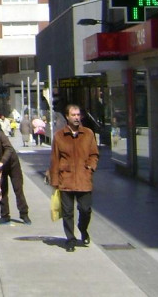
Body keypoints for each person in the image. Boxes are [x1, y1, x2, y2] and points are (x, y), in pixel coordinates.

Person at [49, 105, 99, 252]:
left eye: (78, 115)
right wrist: (55, 180)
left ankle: (83, 228)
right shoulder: (59, 136)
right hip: (66, 178)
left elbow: (94, 154)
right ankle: (70, 239)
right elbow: (55, 159)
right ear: (67, 117)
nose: (77, 117)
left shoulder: (88, 133)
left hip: (84, 178)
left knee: (85, 209)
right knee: (68, 212)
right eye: (73, 115)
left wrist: (90, 167)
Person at [0, 117, 30, 225]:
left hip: (12, 163)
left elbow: (9, 148)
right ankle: (5, 215)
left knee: (18, 188)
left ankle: (24, 213)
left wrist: (2, 161)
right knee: (2, 189)